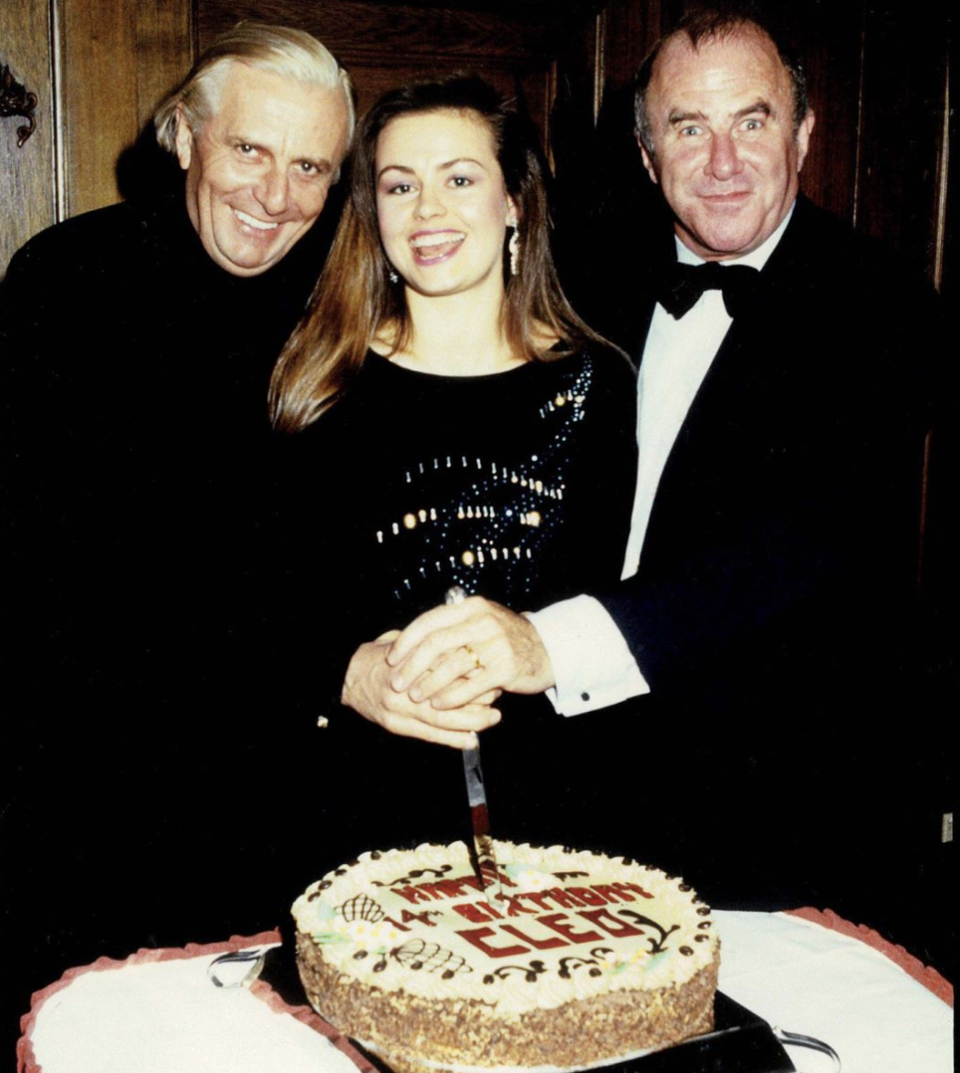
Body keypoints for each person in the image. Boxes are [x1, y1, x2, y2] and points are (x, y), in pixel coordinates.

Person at [341, 11, 945, 946]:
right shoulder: (588, 269)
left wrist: (545, 645)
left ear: (806, 133)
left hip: (794, 821)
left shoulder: (882, 309)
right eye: (687, 128)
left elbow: (782, 554)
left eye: (753, 121)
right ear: (645, 148)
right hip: (590, 816)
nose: (723, 162)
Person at [0, 23, 353, 1050]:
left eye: (311, 168)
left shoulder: (344, 304)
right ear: (184, 136)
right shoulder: (63, 282)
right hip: (92, 807)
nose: (275, 196)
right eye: (250, 150)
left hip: (287, 813)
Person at [268, 75, 637, 861]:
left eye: (459, 179)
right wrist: (342, 672)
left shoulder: (597, 384)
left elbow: (609, 599)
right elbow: (260, 603)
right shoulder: (318, 379)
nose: (427, 211)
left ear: (514, 203)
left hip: (563, 819)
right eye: (400, 186)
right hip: (355, 811)